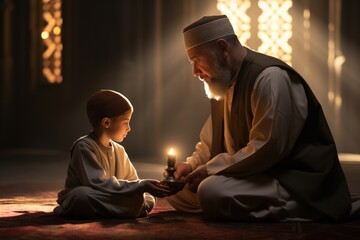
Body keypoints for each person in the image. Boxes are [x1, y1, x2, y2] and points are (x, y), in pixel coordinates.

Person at [166, 15, 351, 222]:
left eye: (197, 61)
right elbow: (210, 143)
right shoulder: (221, 82)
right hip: (250, 175)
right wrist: (191, 167)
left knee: (211, 190)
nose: (194, 72)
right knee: (175, 190)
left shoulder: (270, 78)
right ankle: (225, 205)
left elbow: (267, 147)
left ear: (222, 48)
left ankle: (304, 207)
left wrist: (209, 170)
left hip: (288, 178)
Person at [54, 89, 170, 219]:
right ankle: (130, 208)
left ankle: (126, 207)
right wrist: (141, 186)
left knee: (147, 197)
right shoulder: (84, 146)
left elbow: (132, 181)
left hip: (111, 196)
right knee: (81, 196)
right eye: (125, 123)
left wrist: (142, 187)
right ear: (106, 123)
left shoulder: (119, 150)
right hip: (90, 193)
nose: (129, 128)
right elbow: (98, 183)